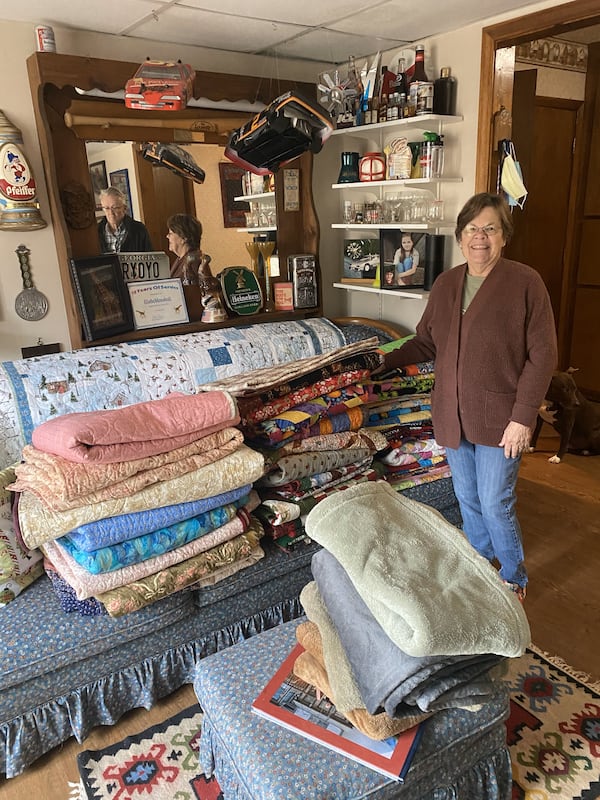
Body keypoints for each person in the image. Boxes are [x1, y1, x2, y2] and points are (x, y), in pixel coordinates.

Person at [383, 192, 557, 601]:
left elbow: (544, 355)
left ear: (504, 236)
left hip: (502, 419)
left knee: (496, 500)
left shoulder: (525, 283)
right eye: (472, 230)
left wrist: (523, 417)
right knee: (467, 496)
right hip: (452, 414)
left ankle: (513, 577)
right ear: (460, 238)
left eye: (490, 229)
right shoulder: (446, 284)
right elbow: (425, 342)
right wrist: (381, 358)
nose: (480, 237)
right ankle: (481, 562)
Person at [97, 187, 153, 253]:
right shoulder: (96, 231)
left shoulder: (139, 229)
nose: (111, 212)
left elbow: (150, 257)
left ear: (124, 208)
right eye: (106, 208)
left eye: (115, 208)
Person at [166, 213, 203, 283]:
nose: (167, 236)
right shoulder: (182, 258)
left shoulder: (192, 261)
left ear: (184, 238)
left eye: (170, 233)